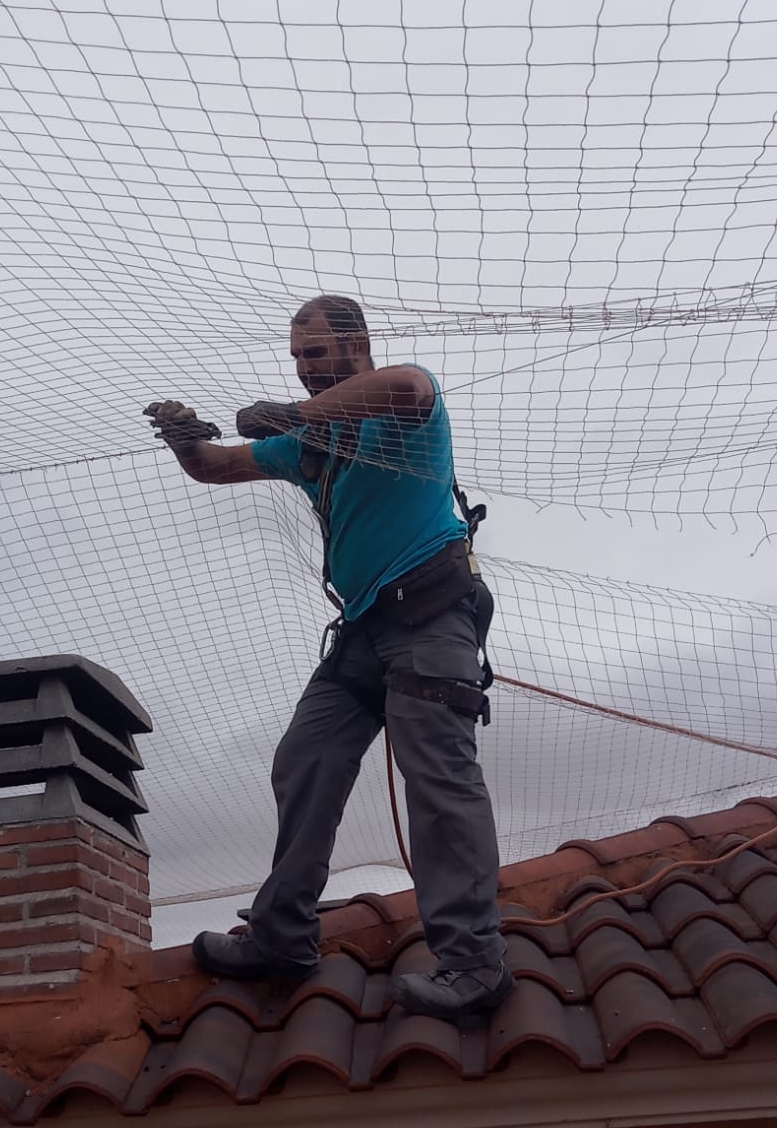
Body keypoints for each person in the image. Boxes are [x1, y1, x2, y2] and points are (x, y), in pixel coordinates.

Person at [145, 294, 511, 1019]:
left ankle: (474, 966)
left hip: (433, 619)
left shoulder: (403, 412)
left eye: (316, 354)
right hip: (364, 633)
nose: (306, 367)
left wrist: (293, 408)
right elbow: (219, 467)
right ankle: (281, 937)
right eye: (297, 358)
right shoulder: (311, 446)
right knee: (303, 760)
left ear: (356, 344)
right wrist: (185, 439)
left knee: (436, 778)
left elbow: (407, 384)